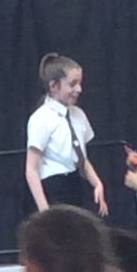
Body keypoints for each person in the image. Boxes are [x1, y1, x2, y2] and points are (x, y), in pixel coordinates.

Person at [24, 53, 108, 215]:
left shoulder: (78, 115)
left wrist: (97, 183)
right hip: (54, 188)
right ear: (54, 86)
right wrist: (44, 211)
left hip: (76, 184)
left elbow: (82, 158)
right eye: (72, 84)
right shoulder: (41, 119)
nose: (79, 89)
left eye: (80, 83)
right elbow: (31, 169)